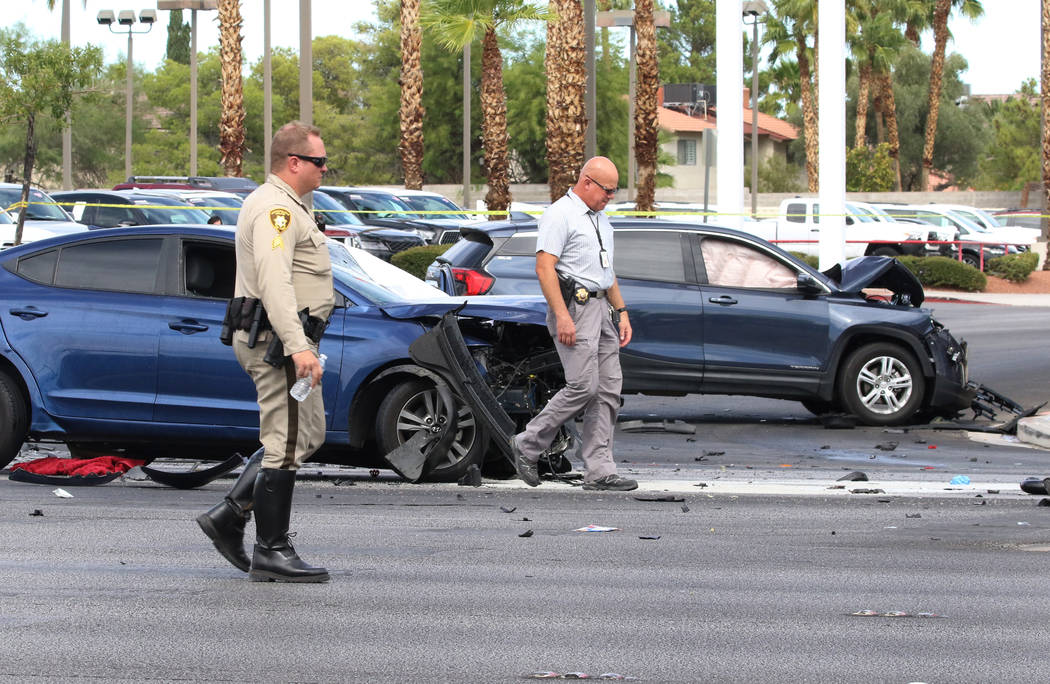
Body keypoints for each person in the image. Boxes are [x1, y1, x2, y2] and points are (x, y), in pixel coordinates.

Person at [196, 121, 334, 582]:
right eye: (318, 161)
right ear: (293, 163)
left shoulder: (290, 204)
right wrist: (298, 348)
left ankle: (230, 515)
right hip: (278, 343)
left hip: (286, 338)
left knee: (306, 436)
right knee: (285, 443)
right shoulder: (276, 209)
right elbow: (276, 283)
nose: (325, 168)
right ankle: (271, 549)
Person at [510, 157, 637, 491]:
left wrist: (621, 311)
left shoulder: (600, 218)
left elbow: (607, 272)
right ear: (587, 183)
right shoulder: (560, 214)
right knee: (583, 386)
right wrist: (563, 315)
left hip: (602, 310)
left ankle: (599, 472)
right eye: (607, 190)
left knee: (608, 389)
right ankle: (528, 444)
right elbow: (544, 267)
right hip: (575, 310)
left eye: (614, 190)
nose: (611, 196)